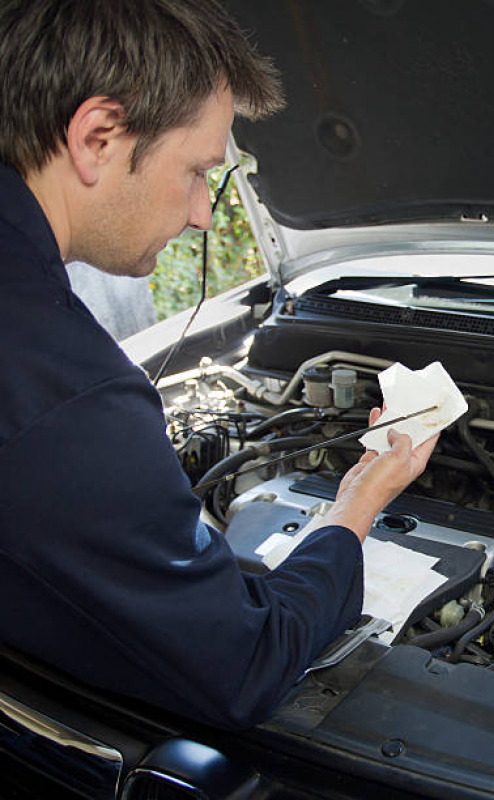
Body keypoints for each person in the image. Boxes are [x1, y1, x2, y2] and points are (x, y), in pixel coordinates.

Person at [0, 0, 437, 729]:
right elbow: (249, 662)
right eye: (200, 170)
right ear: (98, 136)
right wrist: (355, 505)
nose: (205, 213)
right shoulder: (68, 394)